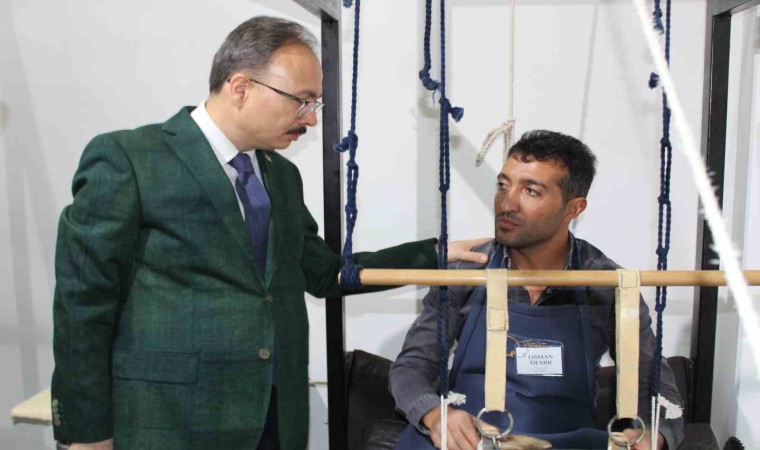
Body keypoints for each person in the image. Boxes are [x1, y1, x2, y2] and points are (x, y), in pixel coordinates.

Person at [51, 16, 487, 450]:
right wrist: (86, 433)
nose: (310, 120)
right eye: (302, 101)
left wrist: (433, 253)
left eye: (315, 104)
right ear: (241, 87)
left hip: (274, 418)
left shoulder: (281, 176)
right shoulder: (130, 159)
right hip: (170, 421)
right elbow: (82, 306)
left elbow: (324, 273)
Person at [390, 130, 685, 450]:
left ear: (573, 209)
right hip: (472, 441)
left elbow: (655, 385)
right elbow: (412, 367)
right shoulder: (466, 273)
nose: (507, 204)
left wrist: (654, 434)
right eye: (503, 185)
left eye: (531, 191)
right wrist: (435, 414)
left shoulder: (608, 285)